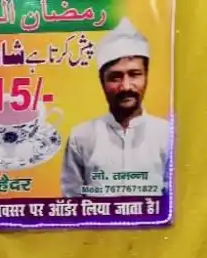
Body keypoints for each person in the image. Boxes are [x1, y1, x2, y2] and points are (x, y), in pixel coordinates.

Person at [60, 17, 170, 198]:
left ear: (146, 76)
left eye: (134, 74)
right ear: (102, 81)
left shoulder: (166, 135)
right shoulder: (81, 137)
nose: (126, 86)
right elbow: (72, 206)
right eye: (115, 77)